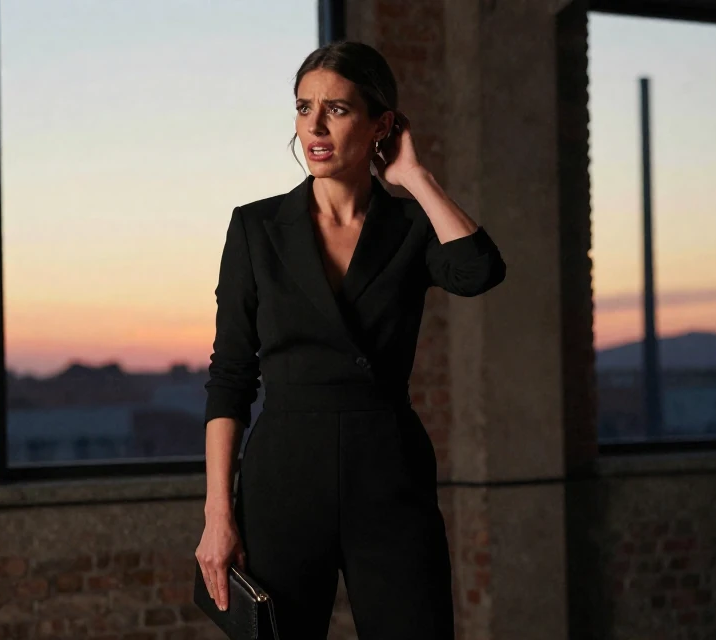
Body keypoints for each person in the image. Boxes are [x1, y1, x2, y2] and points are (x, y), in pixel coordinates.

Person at [194, 40, 506, 639]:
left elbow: (479, 271)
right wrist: (217, 513)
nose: (313, 125)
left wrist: (415, 177)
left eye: (336, 109)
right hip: (285, 474)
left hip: (388, 471)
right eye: (303, 106)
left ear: (380, 124)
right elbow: (230, 375)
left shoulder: (411, 225)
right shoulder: (256, 227)